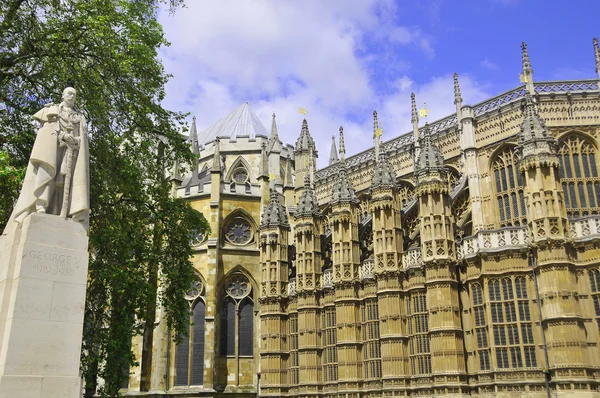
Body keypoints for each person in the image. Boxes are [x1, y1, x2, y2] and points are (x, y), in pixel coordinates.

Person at [5, 87, 89, 232]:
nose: (72, 96)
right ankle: (41, 205)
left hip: (70, 152)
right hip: (52, 149)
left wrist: (76, 139)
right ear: (62, 95)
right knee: (47, 174)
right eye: (69, 93)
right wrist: (63, 136)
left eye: (74, 95)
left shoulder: (79, 116)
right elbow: (49, 129)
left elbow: (83, 136)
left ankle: (57, 210)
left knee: (62, 184)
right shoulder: (53, 110)